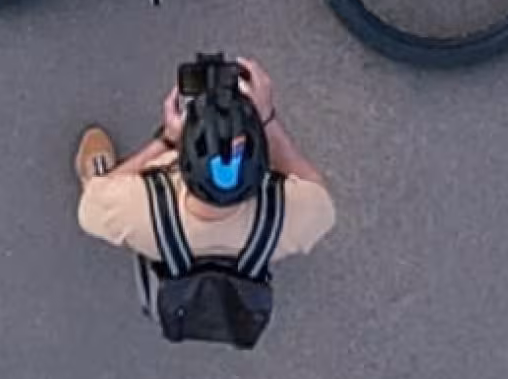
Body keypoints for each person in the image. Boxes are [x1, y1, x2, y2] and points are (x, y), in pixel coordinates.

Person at [73, 53, 335, 301]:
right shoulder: (300, 214)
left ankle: (97, 170)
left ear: (181, 163)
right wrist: (266, 120)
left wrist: (166, 141)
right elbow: (315, 188)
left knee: (99, 186)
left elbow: (89, 207)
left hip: (164, 239)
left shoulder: (132, 208)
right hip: (251, 248)